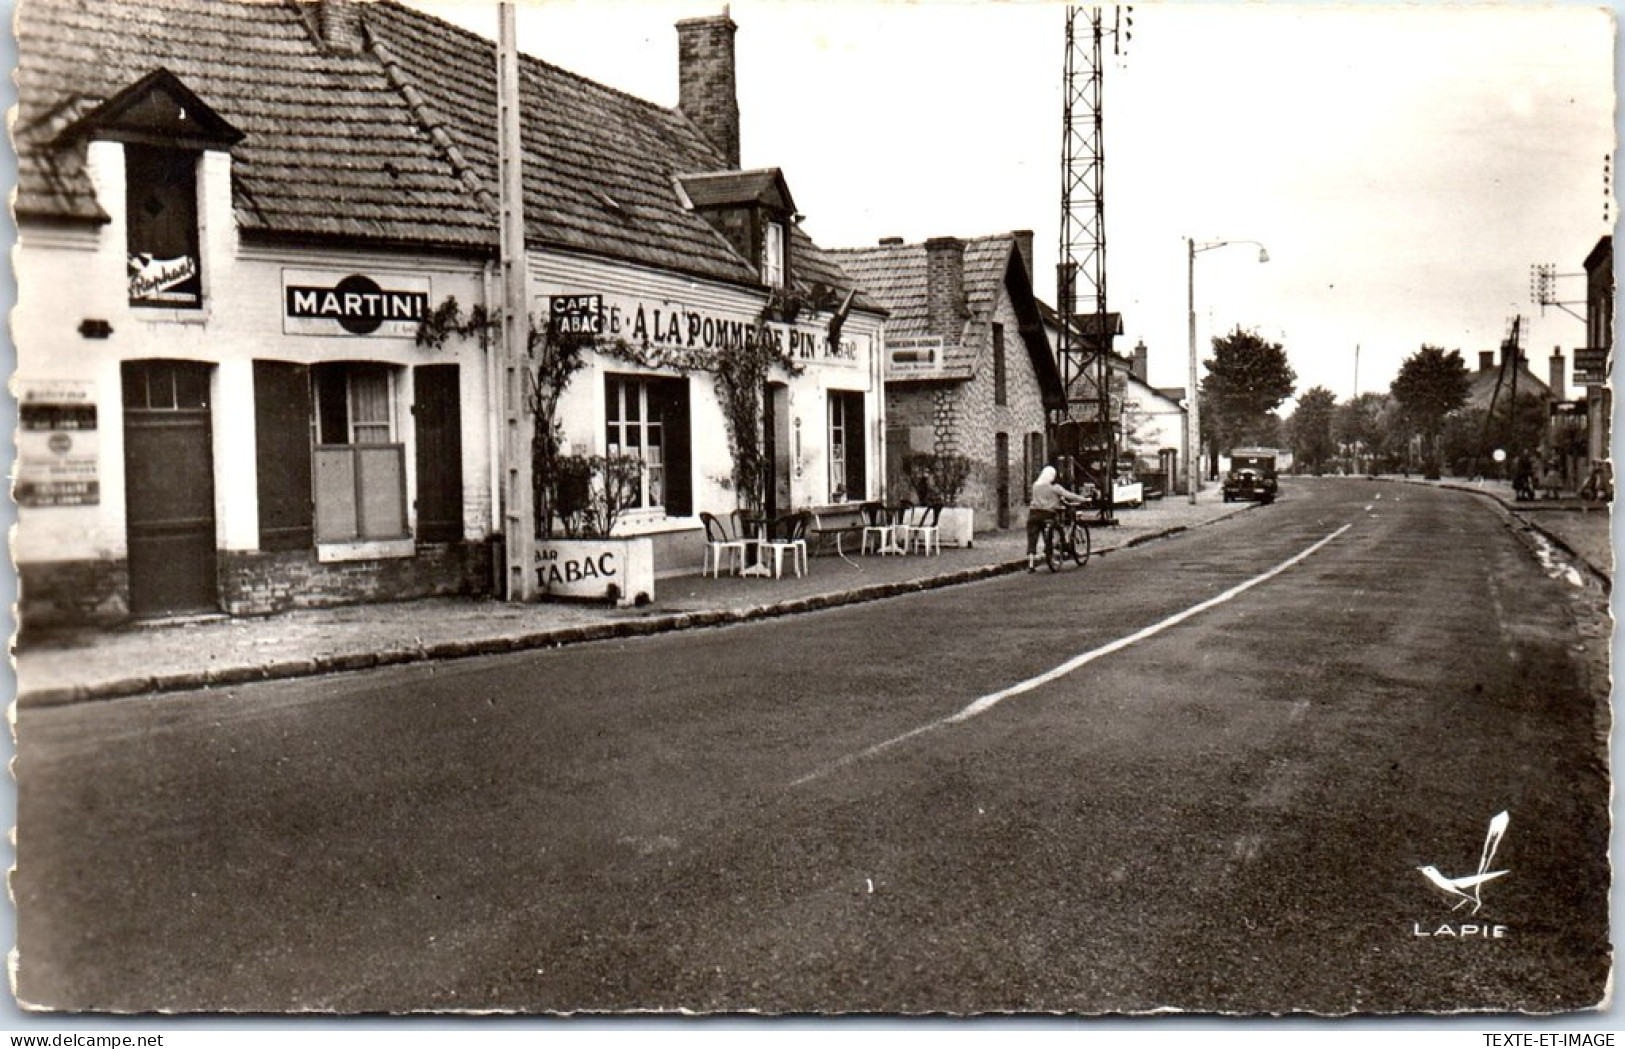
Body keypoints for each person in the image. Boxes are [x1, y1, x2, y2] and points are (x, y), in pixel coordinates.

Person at [1027, 464, 1091, 572]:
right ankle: (1056, 548)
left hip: (1033, 514)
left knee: (1032, 539)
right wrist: (1084, 499)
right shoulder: (1055, 488)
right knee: (1057, 529)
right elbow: (1069, 495)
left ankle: (1031, 564)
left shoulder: (1035, 486)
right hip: (1048, 514)